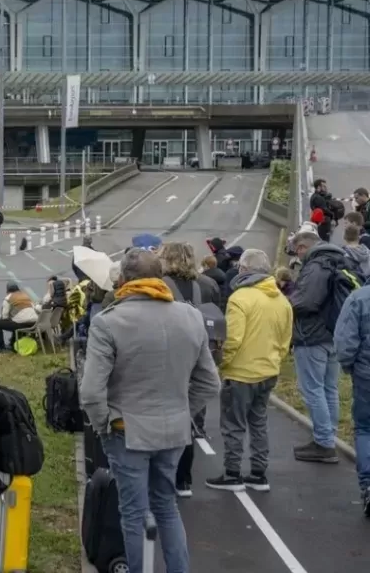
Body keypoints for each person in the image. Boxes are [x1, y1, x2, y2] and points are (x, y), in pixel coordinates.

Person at [79, 249, 220, 573]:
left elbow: (90, 391)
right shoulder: (190, 317)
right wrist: (183, 412)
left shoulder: (108, 322)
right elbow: (210, 383)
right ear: (161, 278)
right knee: (166, 506)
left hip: (126, 430)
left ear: (123, 280)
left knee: (133, 514)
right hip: (173, 430)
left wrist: (104, 426)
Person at [205, 249, 292, 493]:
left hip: (241, 372)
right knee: (259, 422)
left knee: (233, 424)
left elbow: (233, 339)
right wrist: (274, 359)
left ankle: (232, 473)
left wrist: (223, 363)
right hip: (268, 370)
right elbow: (285, 339)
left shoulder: (240, 298)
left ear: (243, 269)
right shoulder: (281, 300)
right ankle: (258, 473)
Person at [157, 242, 222, 498]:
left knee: (167, 413)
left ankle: (166, 475)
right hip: (201, 349)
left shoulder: (159, 285)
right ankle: (185, 478)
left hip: (169, 352)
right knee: (188, 418)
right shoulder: (207, 285)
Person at [288, 230, 346, 464]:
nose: (297, 255)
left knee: (313, 389)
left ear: (303, 247)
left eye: (297, 250)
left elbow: (307, 301)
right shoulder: (338, 260)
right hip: (334, 332)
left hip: (312, 335)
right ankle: (328, 435)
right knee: (329, 388)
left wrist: (287, 303)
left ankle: (323, 442)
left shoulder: (315, 266)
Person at [333, 259, 370, 517]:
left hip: (366, 374)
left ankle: (368, 483)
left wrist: (349, 366)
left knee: (366, 428)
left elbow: (345, 341)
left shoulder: (359, 299)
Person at [0, 281, 38, 352]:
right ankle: (12, 343)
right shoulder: (25, 296)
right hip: (35, 323)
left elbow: (4, 317)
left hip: (22, 324)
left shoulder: (8, 298)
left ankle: (1, 347)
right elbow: (34, 308)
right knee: (15, 320)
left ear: (7, 290)